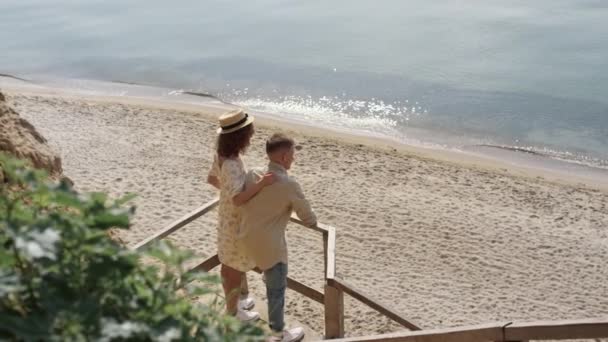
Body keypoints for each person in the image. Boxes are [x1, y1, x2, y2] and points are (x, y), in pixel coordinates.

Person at [240, 133, 317, 342]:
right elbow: (309, 219)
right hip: (270, 246)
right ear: (283, 157)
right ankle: (278, 334)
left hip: (246, 237)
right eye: (292, 154)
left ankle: (241, 304)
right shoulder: (289, 184)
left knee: (263, 272)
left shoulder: (254, 173)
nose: (294, 158)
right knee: (276, 290)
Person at [207, 109, 275, 322]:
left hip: (225, 219)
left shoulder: (222, 156)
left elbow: (212, 179)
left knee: (228, 264)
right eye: (249, 133)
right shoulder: (232, 164)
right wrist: (261, 184)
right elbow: (238, 199)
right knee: (234, 268)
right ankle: (234, 313)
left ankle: (233, 305)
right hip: (235, 223)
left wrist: (226, 192)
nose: (251, 137)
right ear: (240, 137)